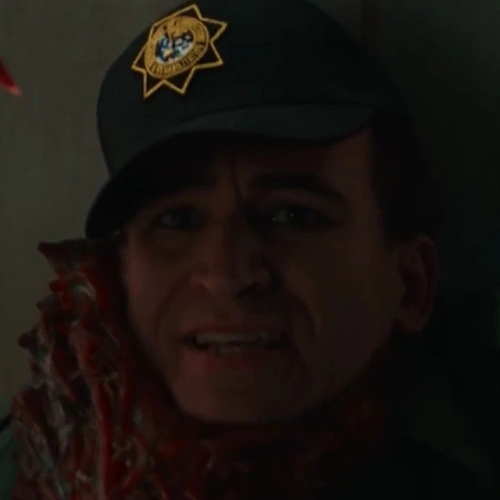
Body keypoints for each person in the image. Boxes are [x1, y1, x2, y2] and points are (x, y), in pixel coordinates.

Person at [0, 0, 496, 497]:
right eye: (177, 221)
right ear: (120, 275)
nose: (226, 274)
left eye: (292, 215)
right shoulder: (28, 465)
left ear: (411, 284)